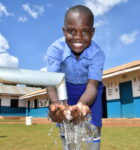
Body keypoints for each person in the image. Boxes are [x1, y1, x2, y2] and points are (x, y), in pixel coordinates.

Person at [46, 5, 105, 150]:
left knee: (94, 127)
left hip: (90, 88)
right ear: (64, 31)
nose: (78, 37)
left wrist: (82, 104)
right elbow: (51, 81)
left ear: (92, 32)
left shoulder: (97, 53)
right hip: (64, 87)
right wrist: (55, 103)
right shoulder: (55, 49)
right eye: (71, 31)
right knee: (65, 122)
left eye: (85, 31)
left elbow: (92, 86)